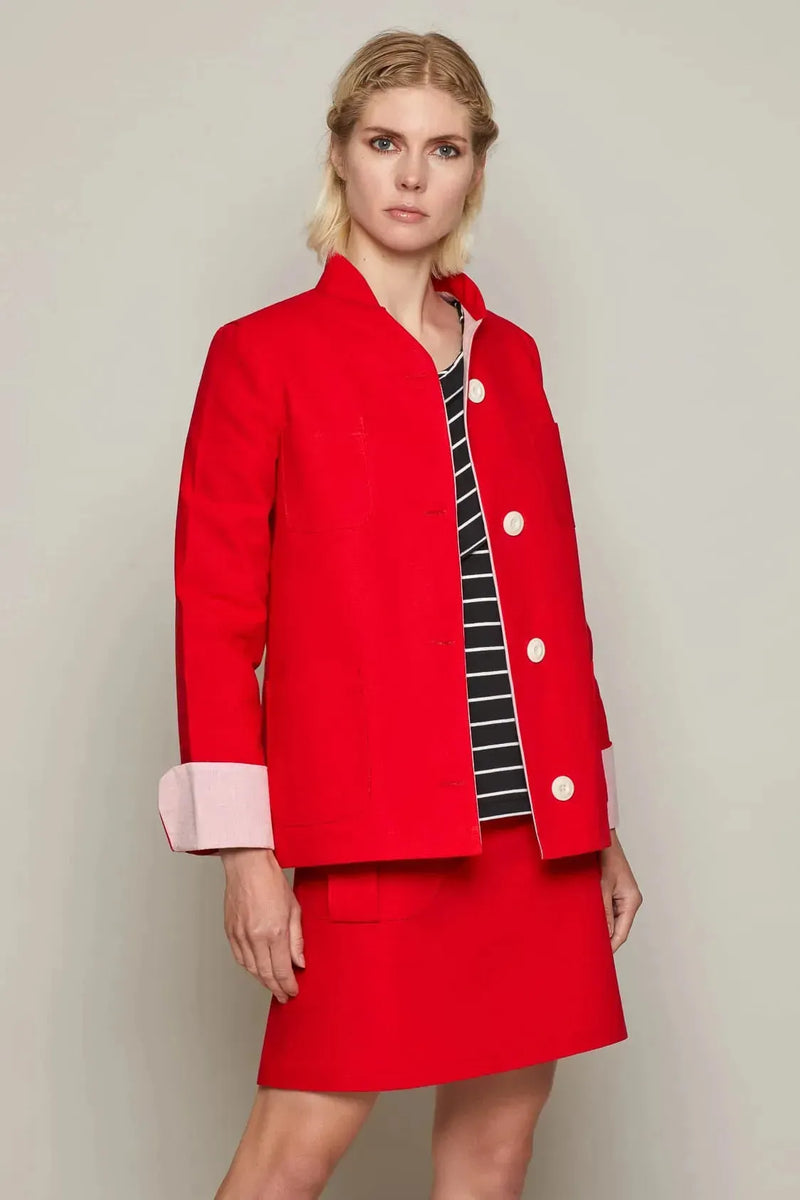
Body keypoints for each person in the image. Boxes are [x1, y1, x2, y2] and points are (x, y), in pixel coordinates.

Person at [157, 28, 643, 1200]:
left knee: (495, 1151)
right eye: (385, 144)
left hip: (529, 835)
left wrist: (594, 819)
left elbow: (547, 600)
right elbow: (214, 617)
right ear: (340, 155)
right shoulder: (262, 355)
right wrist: (246, 853)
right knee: (292, 1150)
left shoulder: (509, 359)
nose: (413, 175)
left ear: (475, 168)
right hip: (367, 832)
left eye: (444, 148)